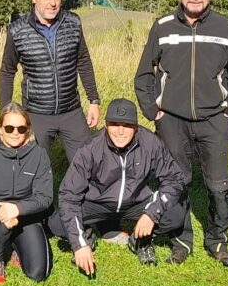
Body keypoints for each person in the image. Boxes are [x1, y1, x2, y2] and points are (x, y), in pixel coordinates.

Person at [134, 0, 228, 266]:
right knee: (175, 182)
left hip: (215, 120)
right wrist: (153, 111)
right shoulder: (163, 26)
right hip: (172, 121)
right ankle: (181, 240)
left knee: (221, 185)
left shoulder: (226, 27)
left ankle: (218, 241)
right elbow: (143, 74)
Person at [55, 99, 188, 276]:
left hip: (136, 202)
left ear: (136, 126)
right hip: (98, 202)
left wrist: (152, 213)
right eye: (114, 124)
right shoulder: (90, 147)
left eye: (126, 125)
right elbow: (68, 195)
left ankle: (139, 240)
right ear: (106, 124)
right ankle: (87, 237)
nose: (119, 131)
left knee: (175, 215)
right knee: (57, 223)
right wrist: (79, 244)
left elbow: (174, 179)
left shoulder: (151, 143)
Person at [0, 0, 101, 165]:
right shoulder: (17, 30)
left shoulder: (73, 23)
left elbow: (83, 61)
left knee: (87, 165)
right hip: (36, 113)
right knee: (34, 168)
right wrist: (6, 111)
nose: (53, 4)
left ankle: (78, 196)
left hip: (71, 110)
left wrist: (93, 100)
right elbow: (7, 71)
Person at [0, 102, 54, 284]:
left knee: (38, 272)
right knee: (3, 222)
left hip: (25, 215)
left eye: (21, 128)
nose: (15, 132)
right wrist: (1, 212)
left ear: (28, 129)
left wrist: (16, 209)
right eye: (9, 128)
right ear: (0, 129)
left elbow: (46, 197)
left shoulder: (39, 155)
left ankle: (17, 245)